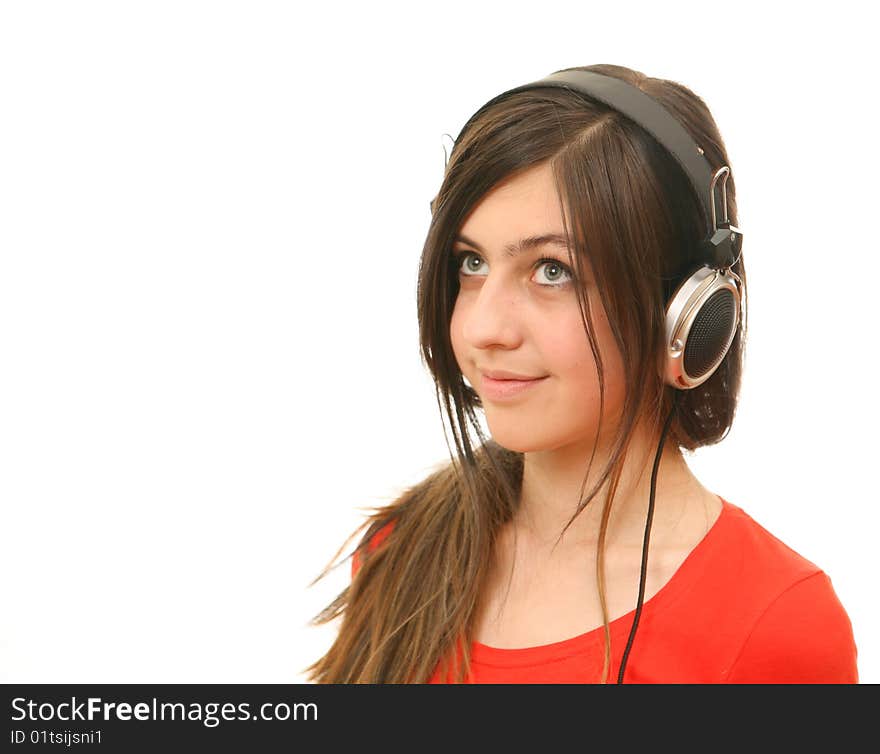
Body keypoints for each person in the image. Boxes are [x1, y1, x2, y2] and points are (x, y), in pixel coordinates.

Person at [303, 63, 858, 684]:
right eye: (471, 263)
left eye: (551, 271)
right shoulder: (402, 550)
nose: (485, 328)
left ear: (689, 312)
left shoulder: (776, 625)